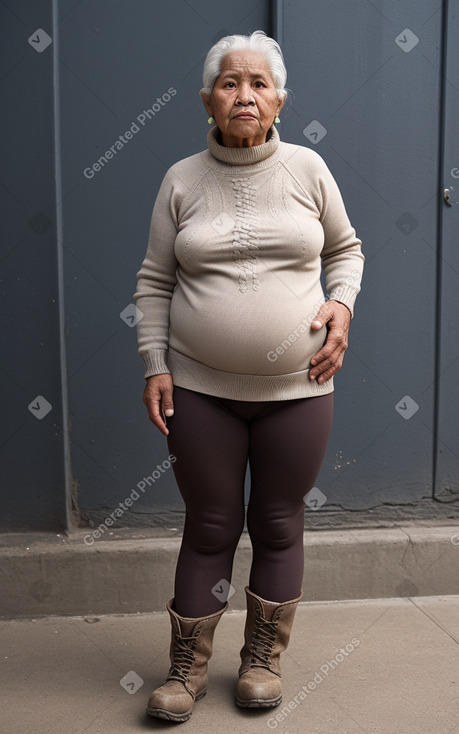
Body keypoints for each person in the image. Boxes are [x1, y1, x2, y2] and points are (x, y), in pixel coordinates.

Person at [134, 30, 364, 723]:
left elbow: (346, 249)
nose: (244, 94)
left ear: (279, 100)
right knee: (208, 526)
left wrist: (340, 305)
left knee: (277, 522)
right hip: (201, 388)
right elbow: (153, 280)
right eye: (230, 82)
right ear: (207, 99)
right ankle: (186, 671)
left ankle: (261, 661)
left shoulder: (307, 169)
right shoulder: (180, 179)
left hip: (299, 387)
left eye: (258, 84)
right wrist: (155, 364)